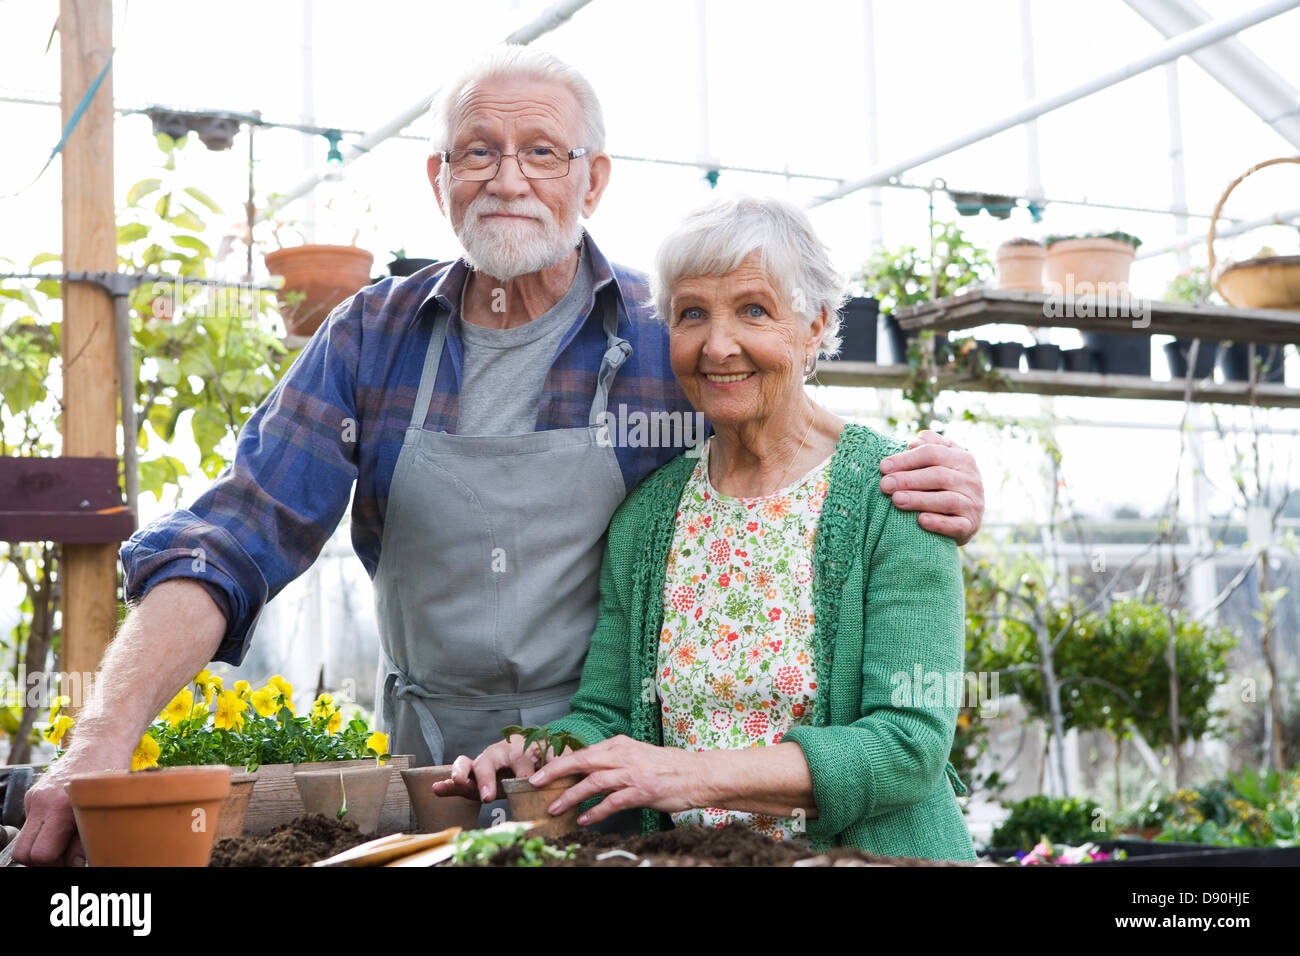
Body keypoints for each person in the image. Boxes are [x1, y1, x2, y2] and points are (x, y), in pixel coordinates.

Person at [13, 46, 984, 865]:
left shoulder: (664, 335)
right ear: (439, 180)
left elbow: (784, 440)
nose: (508, 178)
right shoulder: (373, 337)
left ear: (592, 178)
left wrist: (927, 471)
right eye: (477, 151)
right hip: (436, 773)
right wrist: (103, 733)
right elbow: (236, 533)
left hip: (616, 790)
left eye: (541, 151)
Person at [439, 195, 976, 861]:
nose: (718, 345)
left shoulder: (898, 495)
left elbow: (908, 747)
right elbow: (607, 717)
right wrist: (538, 755)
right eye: (692, 314)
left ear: (814, 326)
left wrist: (687, 775)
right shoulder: (650, 518)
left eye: (754, 309)